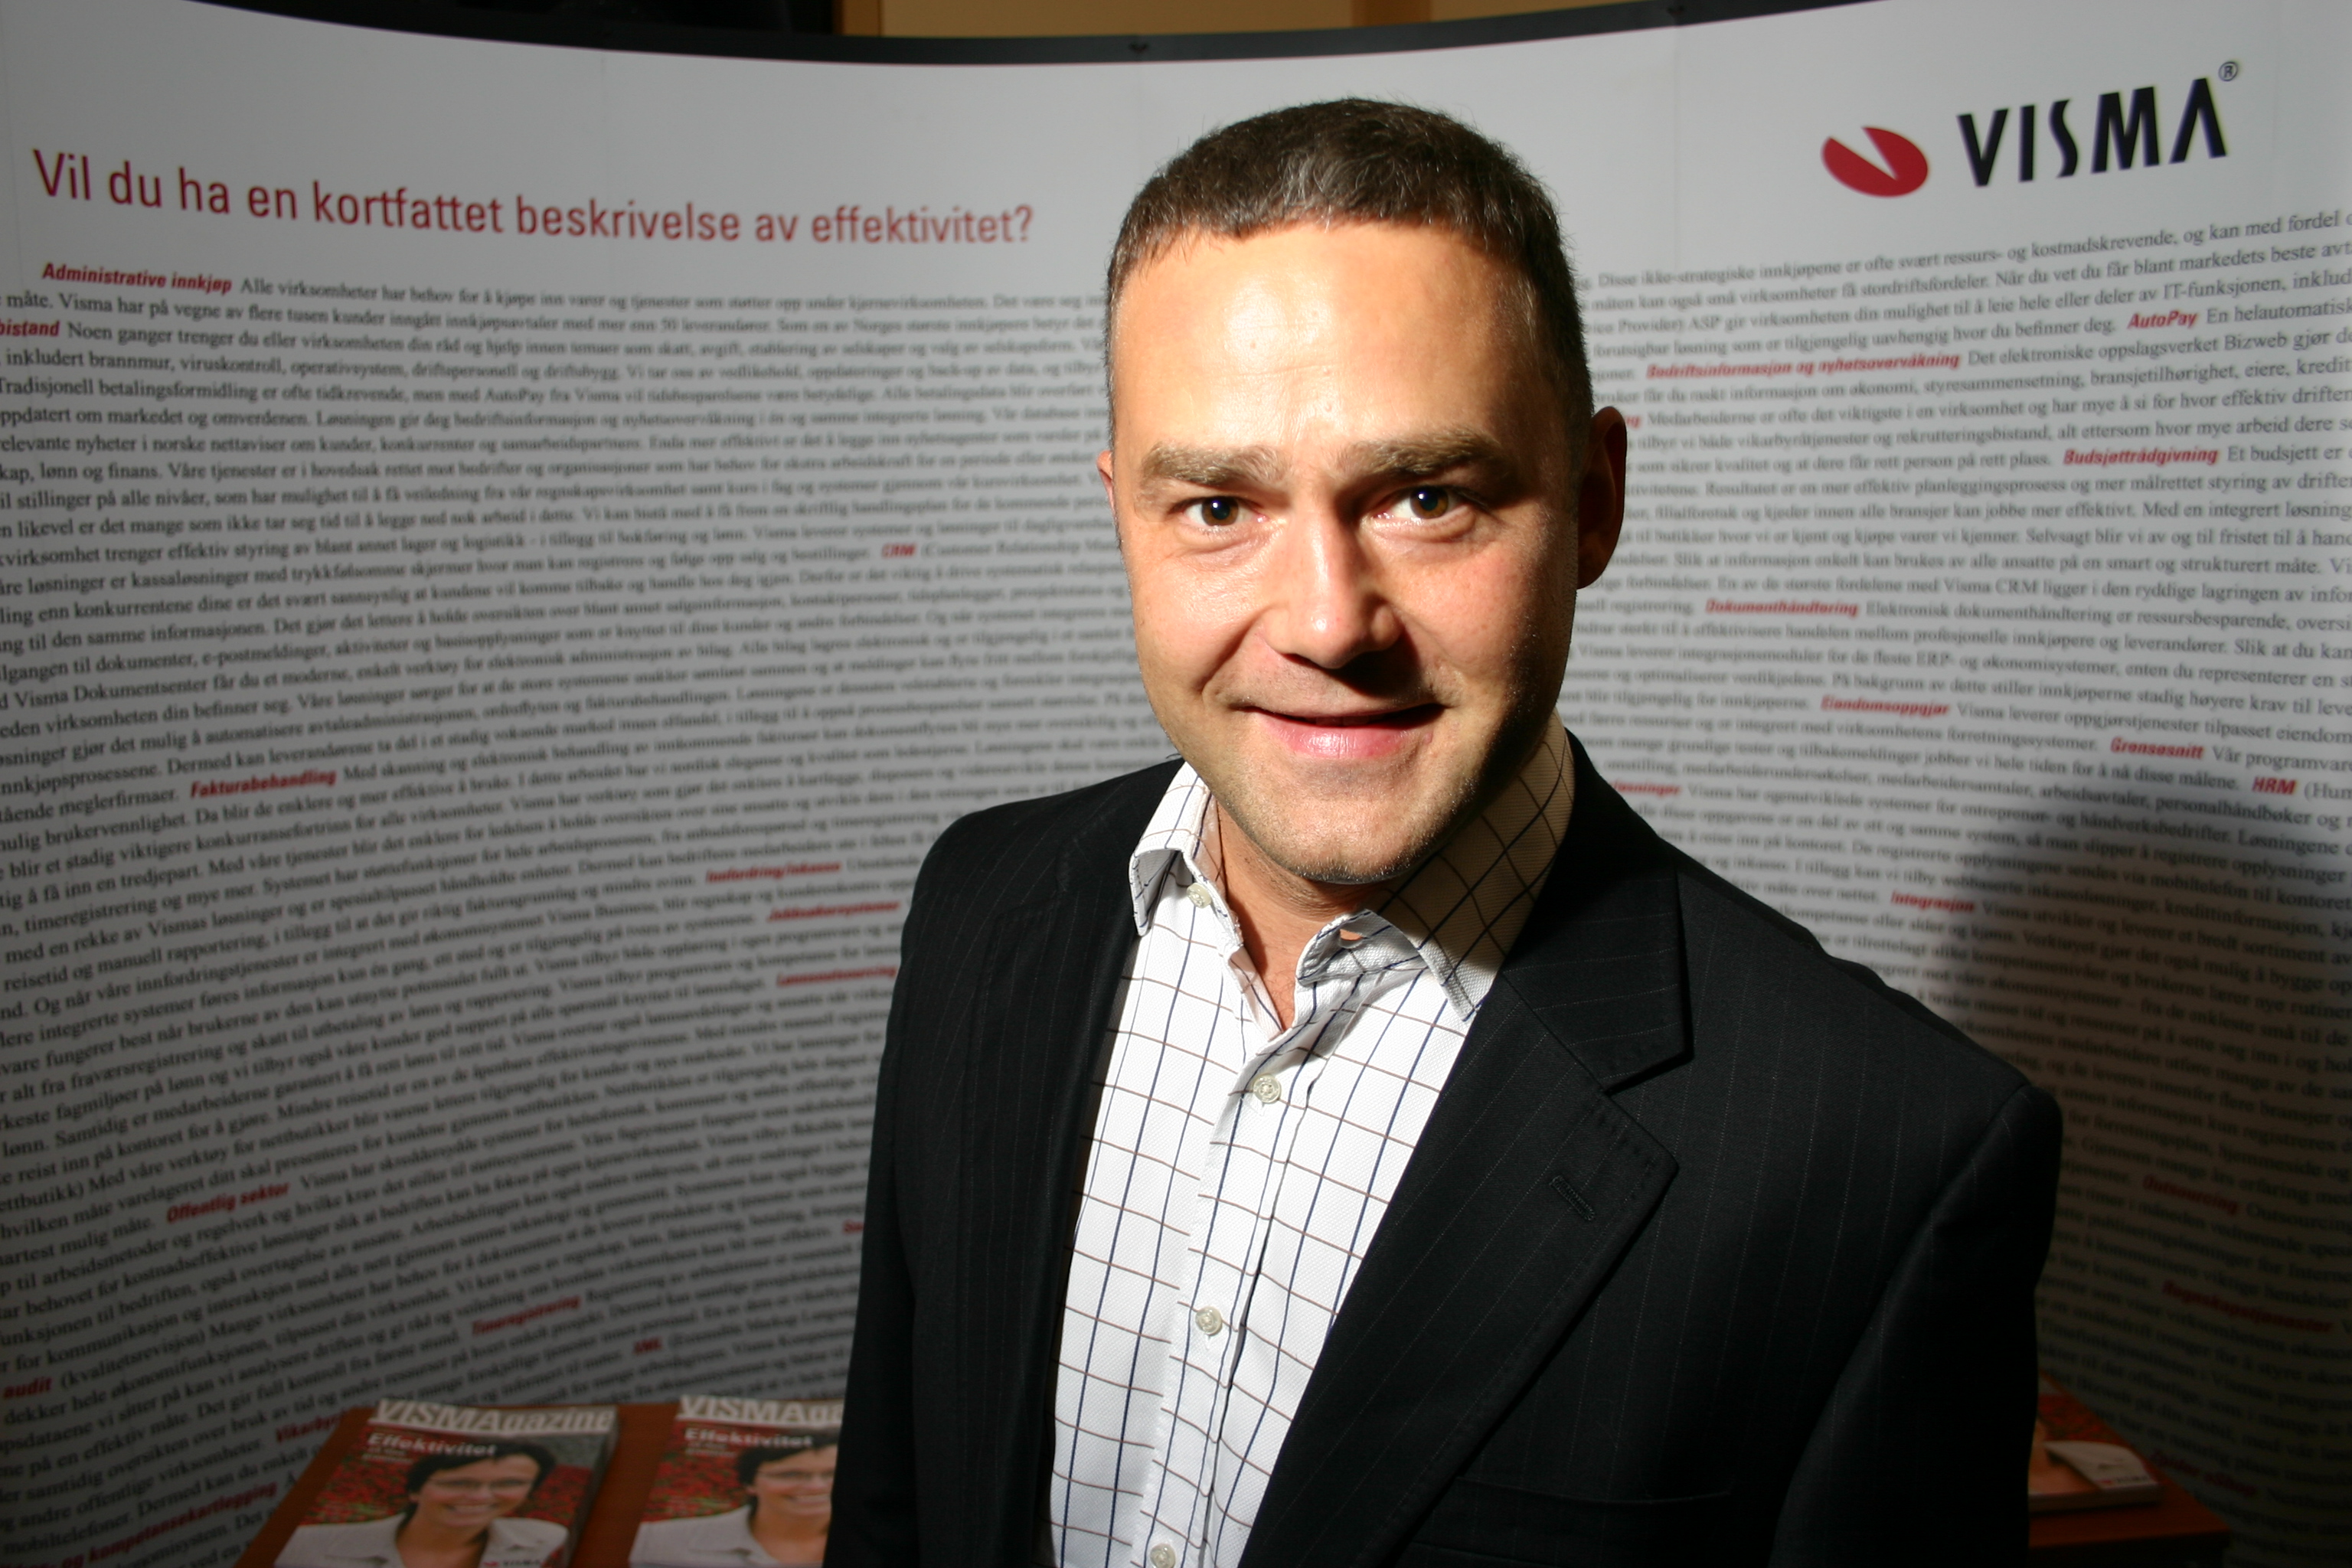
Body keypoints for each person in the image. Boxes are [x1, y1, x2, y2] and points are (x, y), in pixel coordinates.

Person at [828, 100, 2060, 1568]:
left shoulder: (1883, 1155)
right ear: (1124, 516)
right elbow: (897, 1506)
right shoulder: (979, 903)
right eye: (1216, 505)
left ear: (1593, 501)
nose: (1325, 622)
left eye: (1426, 496)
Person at [277, 1445, 565, 1568]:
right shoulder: (304, 1545)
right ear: (415, 1491)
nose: (479, 1497)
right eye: (458, 1483)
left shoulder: (547, 1537)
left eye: (509, 1483)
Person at [632, 1441, 838, 1566]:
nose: (816, 1487)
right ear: (750, 1484)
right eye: (790, 1474)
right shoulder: (658, 1540)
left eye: (832, 1474)